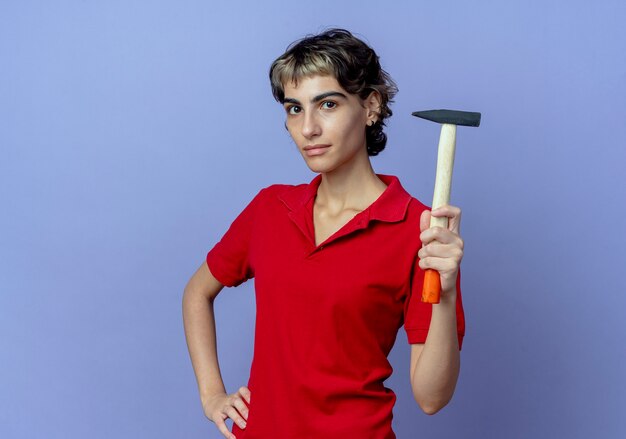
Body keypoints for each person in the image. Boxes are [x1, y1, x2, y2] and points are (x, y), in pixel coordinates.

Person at [182, 28, 466, 439]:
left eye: (327, 104)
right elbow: (196, 292)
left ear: (371, 106)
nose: (308, 128)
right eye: (294, 109)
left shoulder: (419, 231)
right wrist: (212, 395)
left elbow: (431, 398)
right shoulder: (270, 209)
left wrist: (447, 291)